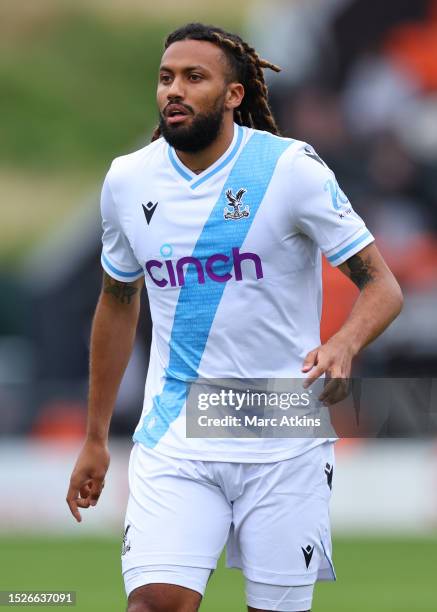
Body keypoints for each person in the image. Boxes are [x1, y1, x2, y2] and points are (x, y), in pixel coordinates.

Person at [66, 23, 403, 612]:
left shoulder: (289, 169)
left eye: (195, 77)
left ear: (233, 95)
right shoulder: (127, 180)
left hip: (283, 432)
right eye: (166, 77)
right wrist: (95, 437)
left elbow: (382, 284)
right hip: (175, 433)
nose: (175, 89)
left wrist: (344, 343)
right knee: (154, 603)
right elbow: (117, 301)